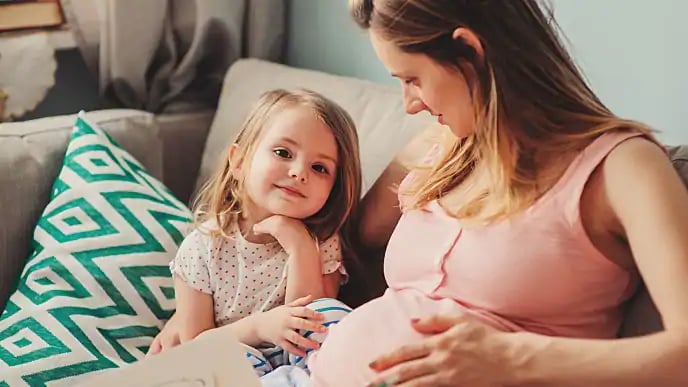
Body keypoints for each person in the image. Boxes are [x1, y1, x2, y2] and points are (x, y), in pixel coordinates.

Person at [306, 1, 688, 386]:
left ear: (470, 53)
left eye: (412, 80)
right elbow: (348, 237)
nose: (409, 104)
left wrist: (513, 358)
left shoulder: (623, 168)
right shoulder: (441, 146)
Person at [147, 89, 361, 377]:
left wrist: (300, 247)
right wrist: (261, 327)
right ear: (239, 161)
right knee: (222, 358)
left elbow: (311, 323)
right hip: (239, 364)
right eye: (283, 153)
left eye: (319, 167)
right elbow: (194, 345)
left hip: (303, 367)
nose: (299, 172)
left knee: (332, 314)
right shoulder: (202, 248)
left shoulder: (321, 241)